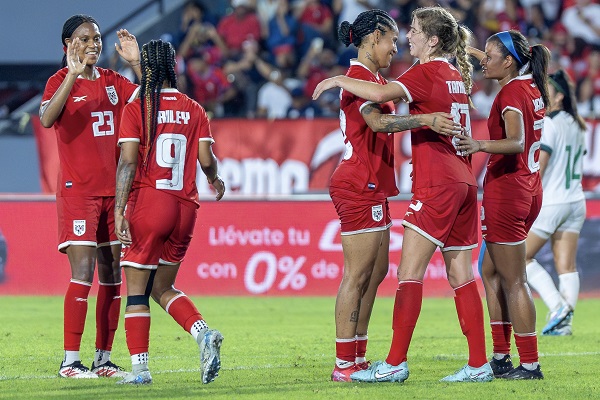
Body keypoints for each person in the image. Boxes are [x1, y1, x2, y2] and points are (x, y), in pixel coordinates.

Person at [314, 6, 493, 383]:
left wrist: (335, 80)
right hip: (454, 180)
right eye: (396, 36)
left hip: (434, 182)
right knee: (440, 272)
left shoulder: (414, 73)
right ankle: (352, 361)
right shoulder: (451, 74)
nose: (402, 42)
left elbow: (381, 99)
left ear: (432, 40)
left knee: (397, 272)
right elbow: (377, 120)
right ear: (373, 37)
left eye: (410, 33)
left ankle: (387, 361)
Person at [114, 39, 226, 385]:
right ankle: (203, 332)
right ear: (173, 67)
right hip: (185, 208)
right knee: (162, 286)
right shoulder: (195, 108)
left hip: (151, 203)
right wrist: (215, 179)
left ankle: (140, 371)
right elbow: (206, 160)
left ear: (146, 70)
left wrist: (119, 209)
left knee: (135, 290)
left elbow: (128, 163)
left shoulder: (138, 107)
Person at [39, 14, 142, 379]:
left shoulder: (115, 81)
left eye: (97, 38)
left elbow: (153, 99)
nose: (93, 44)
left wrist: (137, 65)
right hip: (77, 192)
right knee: (83, 272)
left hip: (113, 195)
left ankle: (103, 359)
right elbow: (47, 118)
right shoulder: (57, 81)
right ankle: (70, 362)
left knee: (113, 274)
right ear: (68, 45)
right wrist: (71, 74)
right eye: (84, 39)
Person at [456, 29, 551, 380]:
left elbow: (515, 141)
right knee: (492, 271)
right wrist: (459, 44)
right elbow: (491, 57)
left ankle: (530, 364)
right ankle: (500, 356)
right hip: (528, 188)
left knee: (514, 280)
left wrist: (478, 145)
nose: (483, 63)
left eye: (490, 57)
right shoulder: (528, 85)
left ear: (509, 61)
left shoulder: (510, 92)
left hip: (508, 191)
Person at [525, 69, 587, 336]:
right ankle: (565, 324)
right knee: (567, 266)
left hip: (553, 201)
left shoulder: (548, 124)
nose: (541, 93)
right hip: (576, 200)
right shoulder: (578, 124)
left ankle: (557, 307)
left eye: (546, 89)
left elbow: (541, 167)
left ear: (559, 96)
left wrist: (526, 195)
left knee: (520, 258)